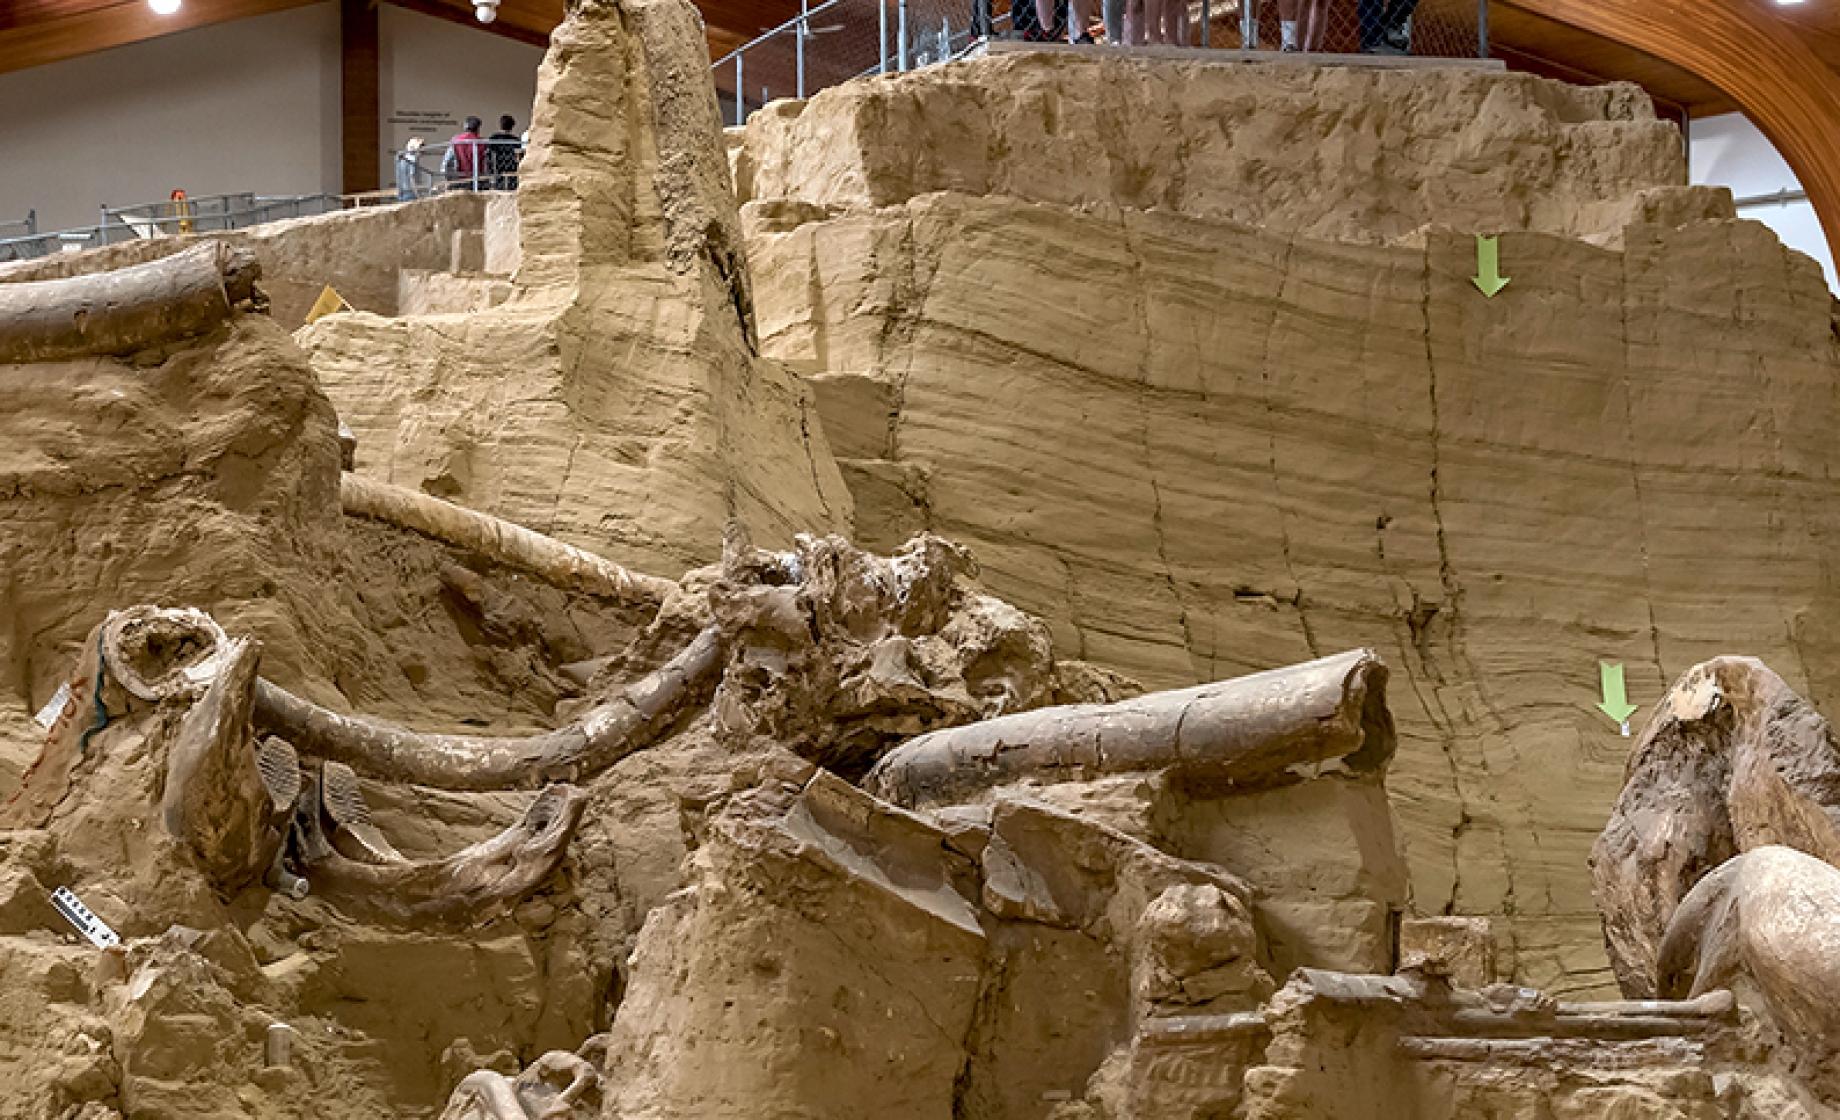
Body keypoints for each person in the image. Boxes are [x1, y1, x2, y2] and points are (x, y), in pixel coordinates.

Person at [442, 116, 484, 189]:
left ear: (465, 127)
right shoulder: (481, 143)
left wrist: (447, 179)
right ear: (478, 128)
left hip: (459, 179)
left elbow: (447, 161)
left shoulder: (456, 140)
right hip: (476, 179)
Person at [486, 114, 523, 191]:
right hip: (511, 167)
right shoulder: (515, 140)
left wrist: (490, 168)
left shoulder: (494, 138)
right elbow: (518, 154)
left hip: (497, 166)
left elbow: (489, 153)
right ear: (512, 127)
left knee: (498, 188)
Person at [395, 136, 429, 201]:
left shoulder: (404, 159)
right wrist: (418, 196)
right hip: (411, 194)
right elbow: (412, 178)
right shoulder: (412, 160)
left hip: (403, 193)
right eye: (421, 147)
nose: (423, 150)